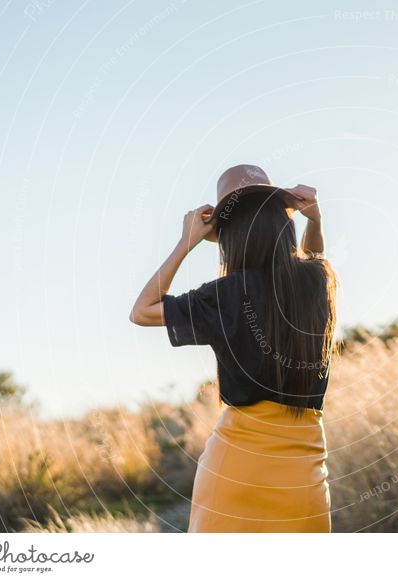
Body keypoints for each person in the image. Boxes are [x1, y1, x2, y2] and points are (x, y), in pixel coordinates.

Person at [129, 164, 337, 532]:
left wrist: (186, 242)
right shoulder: (315, 283)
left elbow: (142, 312)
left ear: (228, 236)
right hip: (304, 475)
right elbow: (313, 260)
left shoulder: (224, 295)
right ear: (282, 221)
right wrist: (315, 220)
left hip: (233, 468)